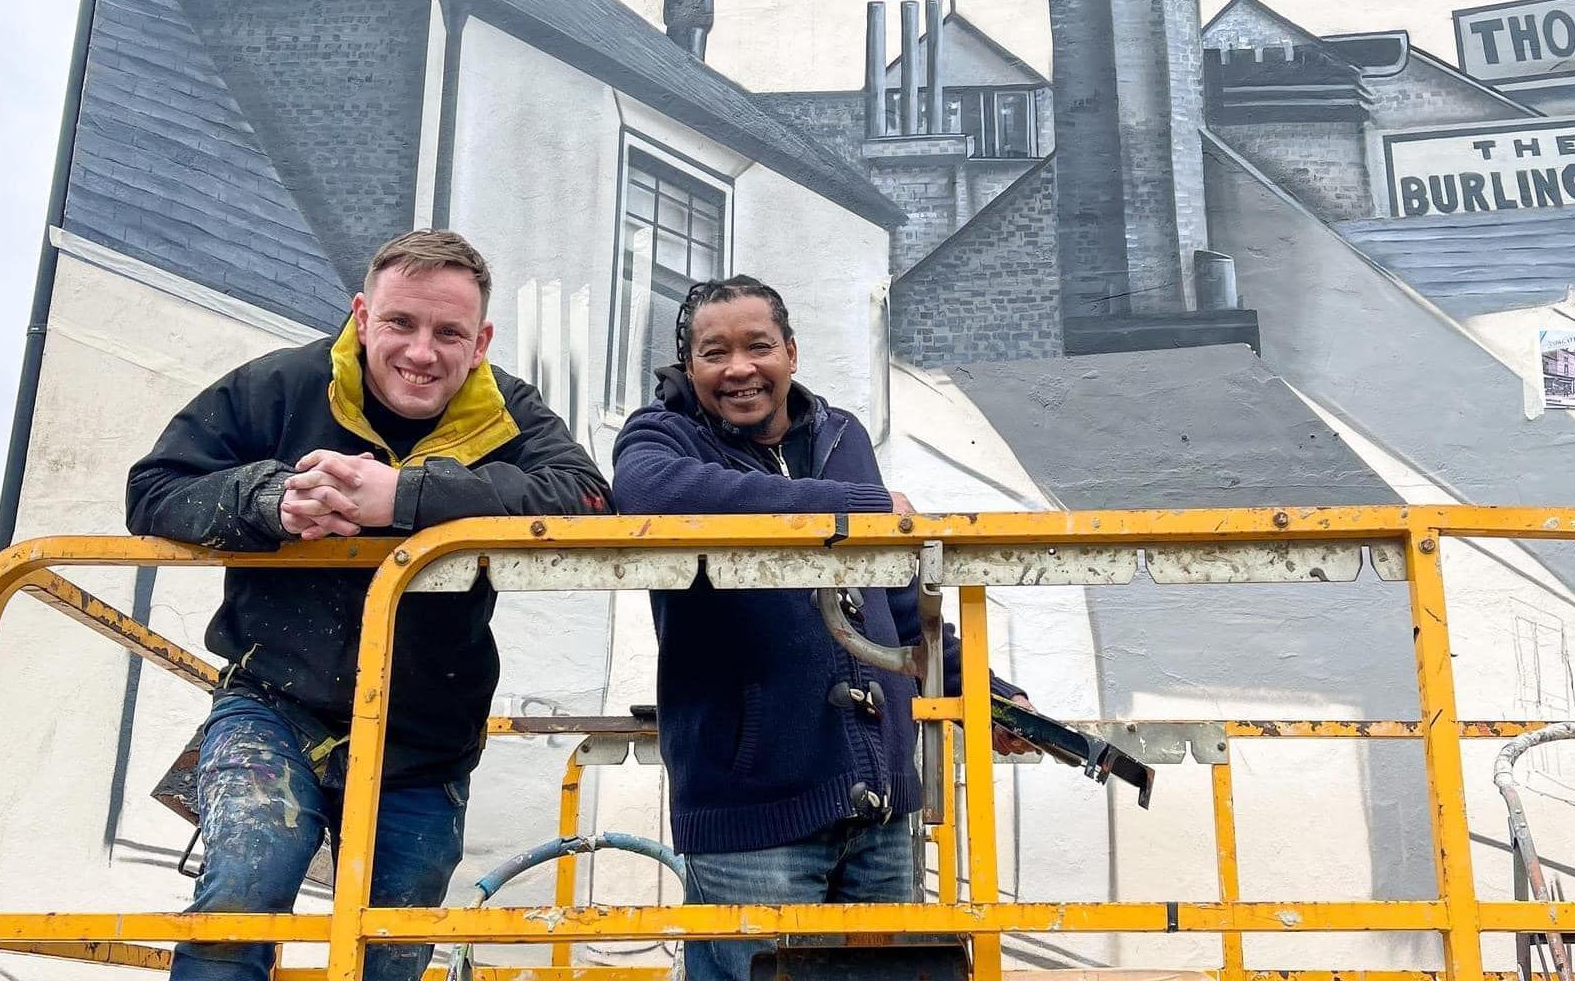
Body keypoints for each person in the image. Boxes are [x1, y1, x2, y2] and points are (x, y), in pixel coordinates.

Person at [126, 229, 610, 981]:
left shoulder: (508, 412)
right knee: (239, 899)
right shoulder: (283, 385)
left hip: (425, 736)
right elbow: (154, 489)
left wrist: (407, 496)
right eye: (401, 323)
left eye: (449, 332)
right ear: (360, 316)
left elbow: (588, 502)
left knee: (391, 953)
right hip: (276, 702)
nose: (422, 352)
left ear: (479, 342)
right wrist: (268, 499)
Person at [610, 275, 1031, 981]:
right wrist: (856, 507)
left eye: (758, 346)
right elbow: (651, 493)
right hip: (754, 823)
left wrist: (983, 693)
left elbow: (897, 610)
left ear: (792, 353)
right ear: (689, 368)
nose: (739, 367)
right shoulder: (660, 438)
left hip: (882, 814)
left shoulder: (844, 437)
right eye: (715, 353)